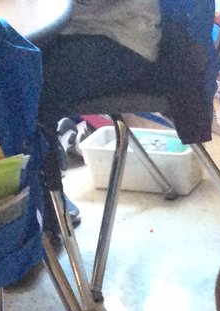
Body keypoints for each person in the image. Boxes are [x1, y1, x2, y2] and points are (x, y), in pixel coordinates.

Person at [36, 0, 165, 235]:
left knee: (24, 85)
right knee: (12, 64)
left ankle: (46, 206)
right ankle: (38, 199)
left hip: (122, 40)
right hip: (87, 30)